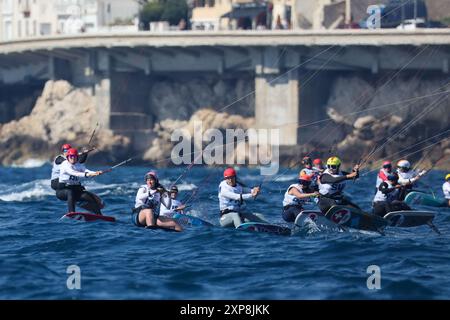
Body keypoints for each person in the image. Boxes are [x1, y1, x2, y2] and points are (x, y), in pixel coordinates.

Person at [56, 148, 104, 214]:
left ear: (77, 157)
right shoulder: (65, 164)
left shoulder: (79, 165)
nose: (73, 158)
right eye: (71, 156)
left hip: (75, 190)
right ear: (68, 157)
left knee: (88, 196)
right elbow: (75, 173)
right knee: (70, 192)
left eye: (74, 156)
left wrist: (95, 172)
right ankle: (72, 213)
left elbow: (86, 170)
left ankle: (99, 215)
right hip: (62, 191)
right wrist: (88, 174)